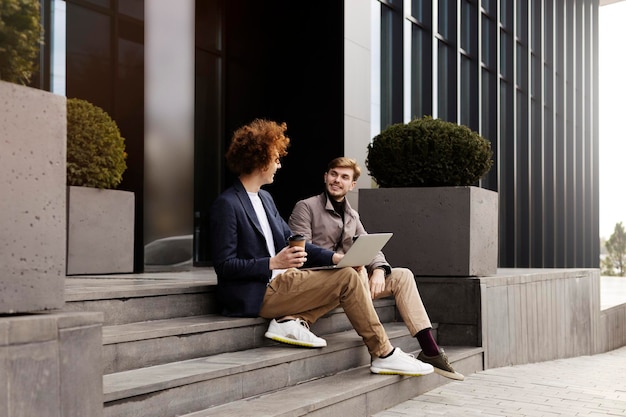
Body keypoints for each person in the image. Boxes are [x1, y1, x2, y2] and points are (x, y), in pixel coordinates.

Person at [209, 119, 433, 377]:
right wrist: (272, 263)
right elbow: (224, 266)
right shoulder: (227, 204)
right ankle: (383, 353)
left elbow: (295, 240)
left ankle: (290, 321)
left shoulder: (265, 199)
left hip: (285, 281)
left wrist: (337, 258)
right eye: (275, 158)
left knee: (349, 272)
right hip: (259, 291)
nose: (279, 165)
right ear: (260, 160)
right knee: (349, 278)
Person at [288, 156, 464, 381]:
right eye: (333, 174)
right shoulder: (306, 207)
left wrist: (379, 270)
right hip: (323, 283)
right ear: (325, 176)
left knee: (402, 275)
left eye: (344, 177)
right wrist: (342, 261)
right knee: (355, 272)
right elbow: (303, 252)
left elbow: (370, 246)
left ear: (352, 185)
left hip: (353, 281)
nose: (337, 180)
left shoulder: (352, 215)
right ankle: (382, 351)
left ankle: (430, 350)